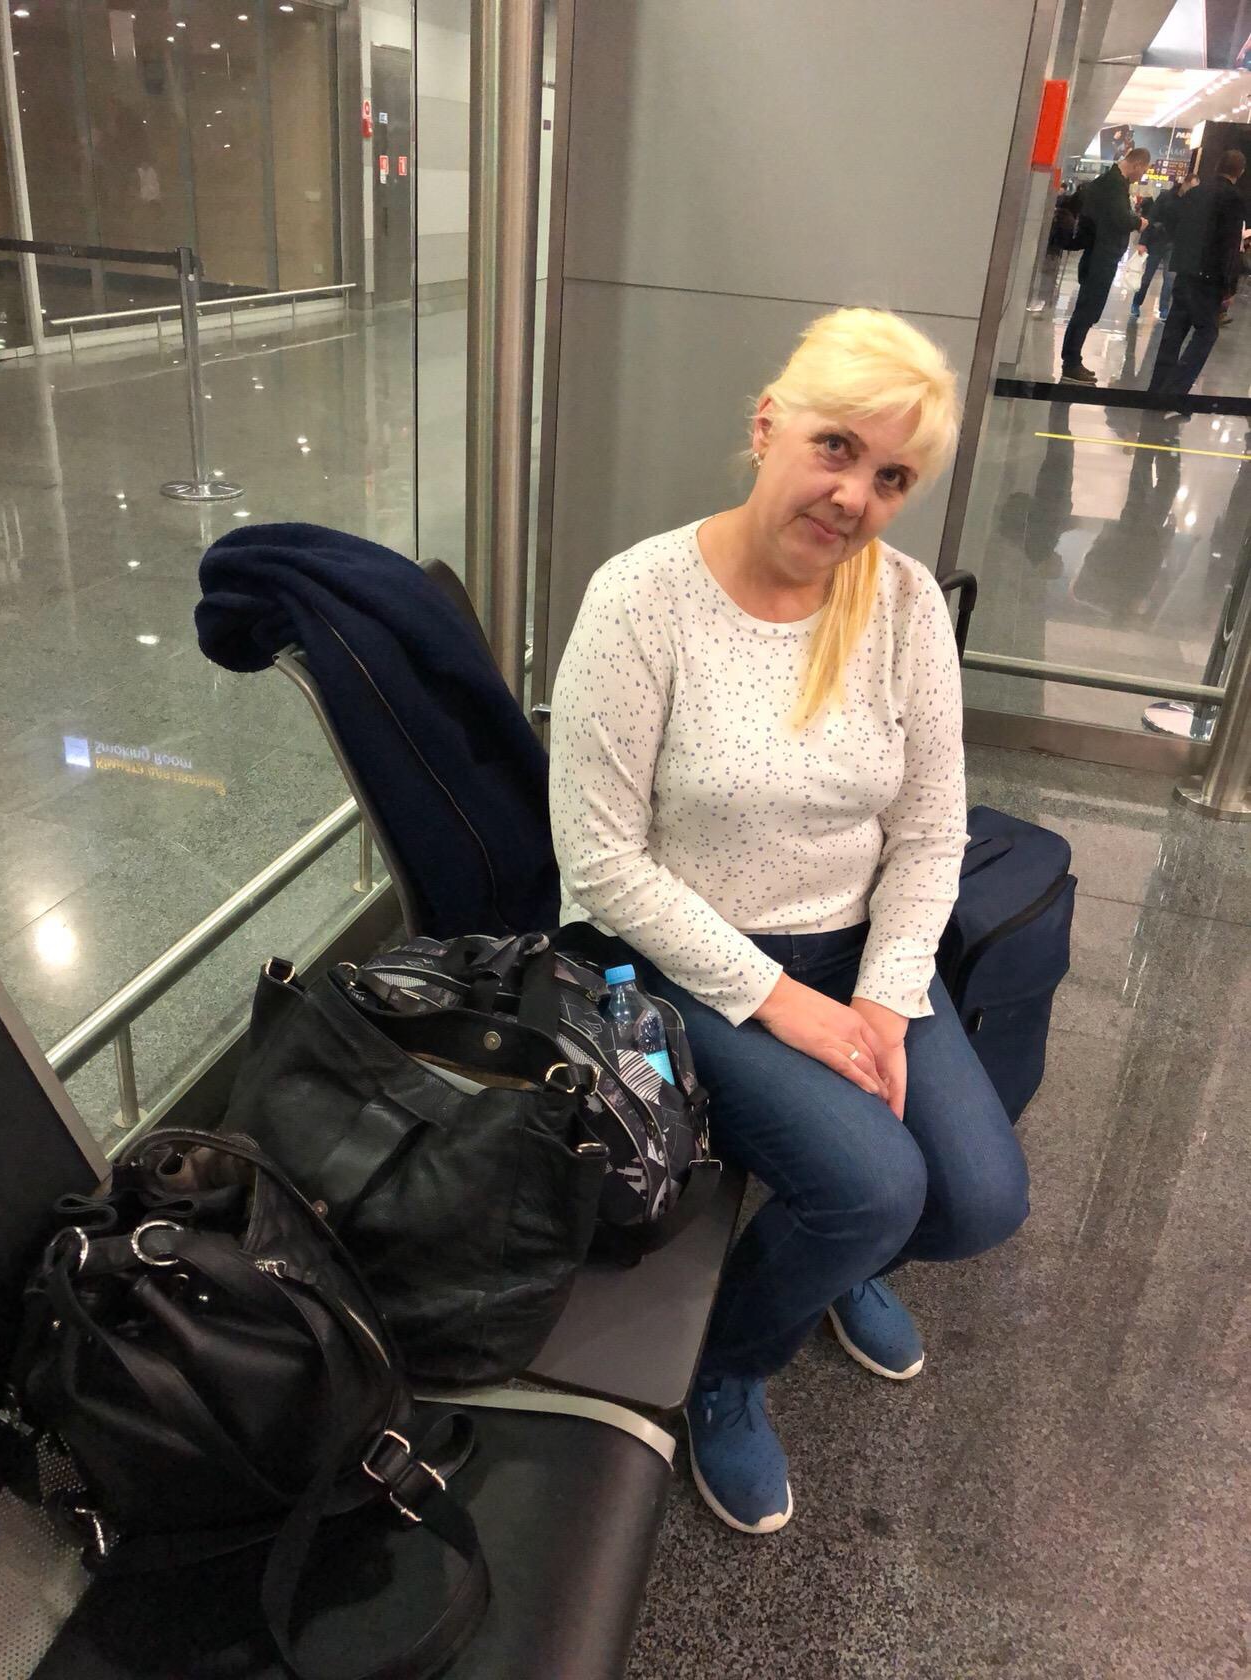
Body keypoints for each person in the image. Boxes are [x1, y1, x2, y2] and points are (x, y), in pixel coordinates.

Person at [548, 309, 1029, 1535]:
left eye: (892, 478)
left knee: (977, 1201)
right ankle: (729, 1362)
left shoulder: (903, 607)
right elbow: (600, 863)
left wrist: (885, 999)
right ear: (768, 425)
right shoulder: (642, 599)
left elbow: (931, 833)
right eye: (836, 448)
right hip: (679, 960)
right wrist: (784, 1005)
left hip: (854, 953)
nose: (854, 497)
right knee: (873, 1185)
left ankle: (826, 1264)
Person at [1149, 149, 1247, 402]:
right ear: (1240, 172)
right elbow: (1229, 244)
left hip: (1185, 270)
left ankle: (1157, 388)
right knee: (1206, 332)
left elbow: (1174, 223)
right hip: (1209, 277)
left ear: (1216, 165)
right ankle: (1176, 391)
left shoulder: (1195, 193)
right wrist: (1229, 285)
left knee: (1174, 331)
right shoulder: (1234, 199)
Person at [1061, 146, 1152, 384]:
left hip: (1099, 254)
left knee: (1088, 309)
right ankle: (1071, 362)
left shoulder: (1111, 183)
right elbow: (1118, 218)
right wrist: (1138, 222)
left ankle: (1073, 359)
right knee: (1087, 309)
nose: (1141, 176)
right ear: (1137, 164)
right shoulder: (1113, 185)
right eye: (1143, 170)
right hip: (1101, 256)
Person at [1130, 173, 1196, 321]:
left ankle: (1164, 309)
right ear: (1185, 183)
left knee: (1169, 279)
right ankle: (1136, 303)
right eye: (1192, 187)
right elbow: (1152, 217)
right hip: (1157, 241)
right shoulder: (1166, 196)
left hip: (1173, 244)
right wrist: (1143, 242)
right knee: (1147, 277)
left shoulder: (1190, 203)